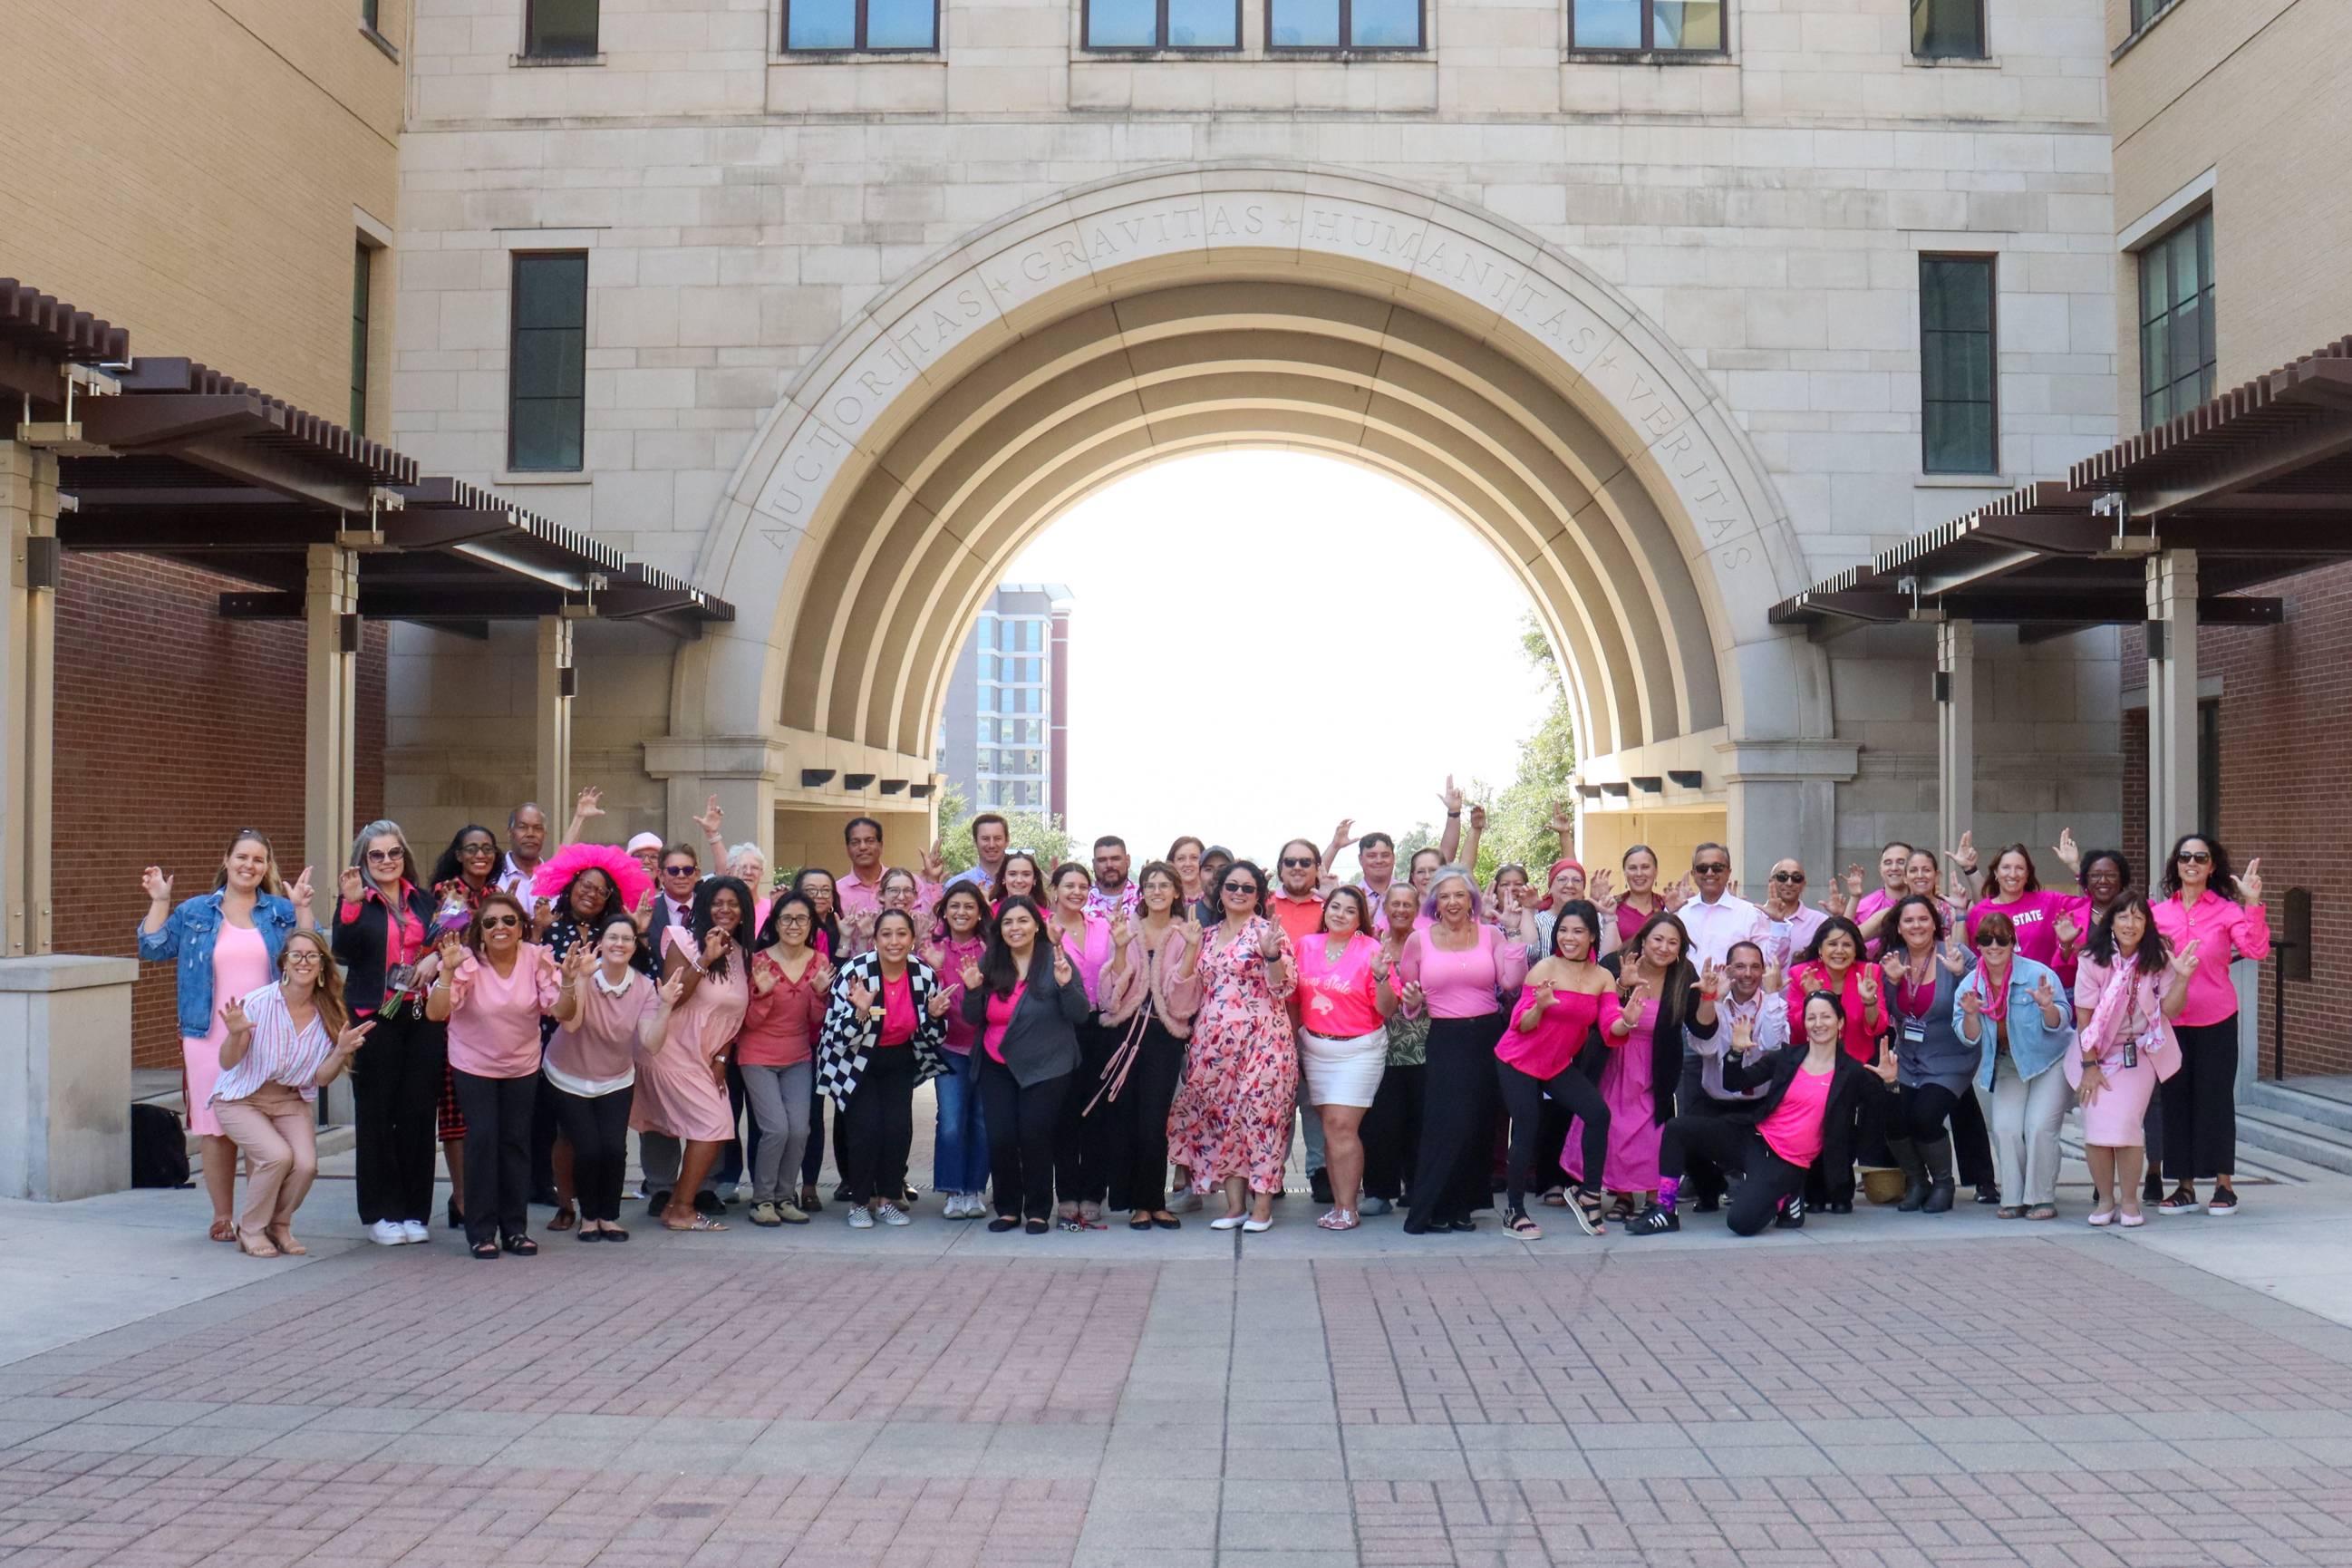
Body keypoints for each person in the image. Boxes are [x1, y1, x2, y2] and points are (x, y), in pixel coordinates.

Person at [138, 830, 312, 1244]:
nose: (248, 866)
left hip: (266, 1035)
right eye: (241, 857)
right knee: (215, 1128)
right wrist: (160, 901)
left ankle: (260, 1217)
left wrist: (303, 909)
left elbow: (313, 949)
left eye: (258, 859)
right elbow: (153, 947)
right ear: (226, 859)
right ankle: (222, 1216)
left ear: (267, 867)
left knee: (260, 1125)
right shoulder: (197, 910)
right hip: (206, 1034)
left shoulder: (281, 912)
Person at [1626, 993, 1899, 1237]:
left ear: (1840, 1023)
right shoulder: (1787, 1058)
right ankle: (1665, 1210)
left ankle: (1787, 1193)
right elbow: (1735, 1082)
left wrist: (1889, 1083)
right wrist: (1735, 1052)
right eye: (1811, 1017)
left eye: (1826, 1016)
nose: (1818, 1023)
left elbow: (1879, 1115)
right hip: (1753, 1137)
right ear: (1804, 1023)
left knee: (1741, 1223)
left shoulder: (1851, 1073)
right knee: (1678, 1129)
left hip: (1786, 1161)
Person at [208, 929, 370, 1257]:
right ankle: (251, 1229)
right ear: (284, 962)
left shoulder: (331, 1013)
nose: (304, 962)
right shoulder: (258, 1002)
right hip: (242, 1098)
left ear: (323, 966)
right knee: (277, 1156)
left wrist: (340, 1052)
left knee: (307, 1165)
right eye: (296, 955)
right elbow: (228, 1063)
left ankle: (278, 1226)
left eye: (312, 956)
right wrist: (235, 1034)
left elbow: (322, 1079)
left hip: (290, 1099)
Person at [426, 889, 563, 1259]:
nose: (499, 927)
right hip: (474, 1064)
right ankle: (480, 1229)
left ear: (521, 926)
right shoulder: (466, 962)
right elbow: (437, 1013)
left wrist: (576, 982)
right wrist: (448, 971)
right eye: (490, 922)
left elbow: (561, 1011)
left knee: (516, 1141)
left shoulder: (536, 959)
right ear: (480, 930)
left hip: (521, 1064)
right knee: (483, 1139)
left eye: (508, 920)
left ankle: (515, 1229)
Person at [1166, 859, 1298, 1233]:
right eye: (1232, 886)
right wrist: (1190, 949)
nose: (1239, 893)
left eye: (1247, 888)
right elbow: (1186, 988)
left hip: (1264, 1041)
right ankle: (1235, 1205)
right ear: (1220, 892)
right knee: (1223, 1122)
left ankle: (1263, 1206)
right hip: (1213, 1047)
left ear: (1258, 895)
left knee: (1262, 1119)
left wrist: (1271, 954)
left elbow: (1284, 986)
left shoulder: (1269, 932)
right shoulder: (1205, 936)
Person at [333, 820, 447, 1246]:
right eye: (376, 855)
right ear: (363, 860)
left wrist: (434, 960)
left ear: (405, 856)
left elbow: (442, 940)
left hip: (418, 1014)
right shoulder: (357, 900)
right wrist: (350, 905)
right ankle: (380, 1212)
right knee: (377, 1115)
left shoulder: (423, 900)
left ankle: (415, 1212)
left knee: (418, 1114)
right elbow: (344, 949)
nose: (386, 861)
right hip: (373, 1014)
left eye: (393, 853)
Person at [1399, 866, 1527, 1234]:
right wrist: (1412, 1001)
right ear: (1434, 902)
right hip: (1445, 1037)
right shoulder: (1418, 941)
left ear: (1471, 900)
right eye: (1445, 895)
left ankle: (1462, 1206)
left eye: (1459, 895)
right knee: (1445, 1125)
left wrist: (1514, 931)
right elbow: (1410, 1001)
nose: (1453, 902)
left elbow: (1512, 983)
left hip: (1487, 1035)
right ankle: (1432, 1208)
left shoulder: (1490, 935)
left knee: (1477, 1124)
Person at [545, 912, 682, 1242]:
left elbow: (651, 1043)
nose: (619, 944)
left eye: (626, 939)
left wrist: (665, 1007)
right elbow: (572, 1024)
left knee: (613, 1149)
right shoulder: (585, 975)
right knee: (588, 1148)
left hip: (616, 1078)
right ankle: (589, 1217)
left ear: (635, 946)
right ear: (601, 943)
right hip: (568, 1075)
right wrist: (579, 980)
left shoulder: (645, 987)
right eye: (613, 938)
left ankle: (609, 1216)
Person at [2152, 834, 2268, 1217]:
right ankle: (2183, 1186)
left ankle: (2224, 1185)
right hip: (2172, 1018)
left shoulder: (2226, 910)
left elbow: (2254, 950)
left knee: (2215, 1099)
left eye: (2201, 858)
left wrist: (2252, 904)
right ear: (2176, 863)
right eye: (2185, 856)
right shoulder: (2159, 913)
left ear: (2211, 866)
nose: (2192, 863)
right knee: (2175, 1099)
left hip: (2216, 1017)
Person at [961, 894, 1089, 1234]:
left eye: (1022, 921)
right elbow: (974, 1018)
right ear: (999, 930)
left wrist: (1065, 986)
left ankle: (1037, 1209)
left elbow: (1079, 1013)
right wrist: (972, 991)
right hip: (996, 1064)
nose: (1015, 928)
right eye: (1007, 922)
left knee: (1034, 1135)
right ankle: (1007, 1208)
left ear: (1036, 926)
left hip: (1046, 1066)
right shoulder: (990, 963)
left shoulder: (1056, 960)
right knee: (1001, 1136)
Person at [818, 908, 953, 1229]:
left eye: (901, 934)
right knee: (865, 1130)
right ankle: (859, 1202)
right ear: (875, 939)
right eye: (886, 934)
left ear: (912, 939)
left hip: (899, 1060)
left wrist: (934, 1016)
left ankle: (888, 1199)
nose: (894, 941)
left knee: (897, 1130)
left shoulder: (922, 974)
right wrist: (860, 1013)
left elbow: (934, 1036)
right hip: (856, 1059)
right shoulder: (856, 971)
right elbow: (836, 1034)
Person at [636, 875, 753, 1233]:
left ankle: (676, 1206)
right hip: (672, 1049)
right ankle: (682, 1208)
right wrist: (704, 958)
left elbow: (734, 1014)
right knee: (714, 1124)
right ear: (704, 907)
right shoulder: (682, 939)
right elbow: (675, 997)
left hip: (705, 1057)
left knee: (711, 1126)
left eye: (733, 904)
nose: (725, 909)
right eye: (717, 902)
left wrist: (722, 1057)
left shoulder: (741, 952)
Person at [1495, 900, 1617, 1238]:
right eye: (1563, 930)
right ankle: (1514, 1212)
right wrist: (1540, 1006)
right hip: (1517, 1060)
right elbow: (1521, 1023)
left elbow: (1610, 1027)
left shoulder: (1602, 977)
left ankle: (1589, 1193)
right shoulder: (1544, 969)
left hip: (1555, 1064)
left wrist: (1628, 1021)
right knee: (1528, 1127)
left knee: (1598, 1114)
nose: (1569, 937)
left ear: (1593, 935)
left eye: (1578, 931)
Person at [2072, 893, 2193, 1228]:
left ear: (2147, 924)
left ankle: (2129, 1200)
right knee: (2097, 1126)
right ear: (2111, 922)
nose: (2131, 924)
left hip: (2140, 1051)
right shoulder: (2092, 959)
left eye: (2139, 918)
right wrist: (2089, 1065)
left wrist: (2181, 977)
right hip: (2094, 1051)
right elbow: (2084, 1015)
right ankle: (2105, 1200)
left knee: (2127, 1123)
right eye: (2123, 917)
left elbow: (2171, 1010)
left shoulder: (2157, 958)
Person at [1097, 862, 1202, 1230]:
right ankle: (1135, 1204)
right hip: (1124, 1034)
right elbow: (1110, 993)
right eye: (1150, 885)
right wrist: (1122, 949)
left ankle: (1155, 1202)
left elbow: (1183, 1000)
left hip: (1163, 1037)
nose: (1156, 891)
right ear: (1141, 892)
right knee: (1124, 1121)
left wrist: (1190, 951)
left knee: (1154, 1122)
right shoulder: (1128, 929)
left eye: (1164, 885)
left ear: (1177, 892)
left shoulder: (1185, 932)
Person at [1571, 910, 1696, 1220]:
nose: (1664, 947)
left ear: (1680, 948)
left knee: (1654, 1135)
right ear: (1643, 938)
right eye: (1658, 939)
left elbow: (1703, 1028)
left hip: (1658, 1064)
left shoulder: (1684, 975)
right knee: (1616, 1128)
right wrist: (1622, 987)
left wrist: (1707, 997)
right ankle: (1623, 1196)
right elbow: (1598, 1012)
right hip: (1615, 1057)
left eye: (1672, 942)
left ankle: (1660, 1200)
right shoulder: (1616, 963)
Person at [1958, 910, 2074, 1221]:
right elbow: (1968, 1038)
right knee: (2006, 1128)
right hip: (2008, 1064)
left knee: (2038, 1127)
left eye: (2002, 939)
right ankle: (2013, 1197)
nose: (1994, 946)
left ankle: (2040, 1197)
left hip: (2051, 1060)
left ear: (2013, 942)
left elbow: (2062, 1023)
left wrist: (2048, 1007)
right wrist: (1971, 1014)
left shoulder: (2039, 975)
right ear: (1977, 944)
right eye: (1986, 939)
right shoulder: (1971, 985)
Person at [1292, 885, 1392, 1232]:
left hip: (1359, 1049)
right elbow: (1292, 997)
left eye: (1350, 910)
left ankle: (1349, 1208)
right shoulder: (1306, 946)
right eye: (1335, 907)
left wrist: (1381, 977)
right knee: (1331, 1129)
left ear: (1360, 917)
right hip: (1316, 1048)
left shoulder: (1371, 950)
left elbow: (1387, 1008)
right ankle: (1338, 1204)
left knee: (1341, 1126)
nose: (1340, 914)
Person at [737, 894, 832, 1226]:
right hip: (757, 1055)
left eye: (802, 919)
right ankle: (761, 1200)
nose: (794, 925)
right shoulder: (758, 961)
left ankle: (784, 1197)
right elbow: (747, 1022)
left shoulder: (820, 961)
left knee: (800, 1130)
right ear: (775, 923)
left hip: (799, 1056)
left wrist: (820, 995)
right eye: (787, 919)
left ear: (811, 925)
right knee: (776, 1128)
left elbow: (818, 1022)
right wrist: (761, 993)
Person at [1876, 895, 1974, 1215]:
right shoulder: (1894, 959)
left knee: (1926, 1116)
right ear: (1900, 928)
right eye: (1909, 920)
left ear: (1935, 923)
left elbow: (1979, 999)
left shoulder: (1957, 955)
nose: (1916, 925)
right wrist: (1891, 982)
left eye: (1923, 919)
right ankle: (1918, 1181)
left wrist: (1960, 975)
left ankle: (1944, 1182)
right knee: (1892, 1115)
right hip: (1908, 1058)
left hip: (1950, 1059)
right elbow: (1888, 1012)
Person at [1782, 915, 1886, 1213]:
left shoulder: (1869, 972)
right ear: (1820, 949)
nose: (1839, 950)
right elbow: (1797, 1030)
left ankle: (1841, 1190)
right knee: (1815, 1125)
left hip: (1856, 1065)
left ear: (1856, 949)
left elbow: (1877, 1026)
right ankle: (1815, 1191)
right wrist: (1811, 997)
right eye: (1832, 944)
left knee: (1844, 1127)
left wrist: (1868, 1002)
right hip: (1813, 1064)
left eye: (1847, 944)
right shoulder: (1802, 973)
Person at [1679, 938, 1789, 1212]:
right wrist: (1712, 1001)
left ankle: (1746, 1182)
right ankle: (1711, 1187)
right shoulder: (1715, 1002)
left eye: (1754, 967)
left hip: (1759, 1103)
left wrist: (1774, 995)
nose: (1748, 974)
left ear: (1764, 971)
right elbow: (1703, 1047)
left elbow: (1774, 1045)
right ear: (1728, 970)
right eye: (1740, 967)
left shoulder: (1772, 1003)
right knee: (1683, 1134)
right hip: (1716, 1098)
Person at [1044, 861, 1120, 1229]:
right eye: (1068, 885)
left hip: (1100, 1025)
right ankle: (1068, 1193)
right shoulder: (1042, 929)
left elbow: (1120, 968)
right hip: (1058, 1028)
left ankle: (1093, 1192)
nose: (1076, 892)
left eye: (1081, 886)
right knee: (1063, 1113)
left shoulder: (1103, 927)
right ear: (1054, 890)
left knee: (1097, 1112)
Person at [922, 883, 994, 1218]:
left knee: (981, 1120)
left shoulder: (992, 950)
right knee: (951, 1121)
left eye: (969, 906)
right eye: (954, 906)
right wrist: (937, 969)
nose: (961, 912)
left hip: (985, 1047)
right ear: (944, 911)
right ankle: (953, 1191)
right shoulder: (931, 949)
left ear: (979, 912)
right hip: (949, 1047)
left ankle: (974, 1190)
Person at [1359, 880, 1429, 1216]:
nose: (1401, 910)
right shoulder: (1370, 945)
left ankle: (1417, 1187)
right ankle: (1378, 1191)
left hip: (1422, 1045)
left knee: (1420, 1120)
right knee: (1380, 1122)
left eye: (1408, 905)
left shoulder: (1429, 943)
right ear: (1385, 909)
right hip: (1378, 1045)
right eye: (1395, 904)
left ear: (1417, 910)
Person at [1268, 837, 1330, 1198]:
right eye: (1290, 861)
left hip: (1319, 1017)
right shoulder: (1262, 905)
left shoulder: (1330, 907)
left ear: (1317, 868)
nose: (1297, 868)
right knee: (1277, 1101)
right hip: (1271, 1017)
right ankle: (1271, 1171)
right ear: (1280, 868)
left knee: (1314, 1099)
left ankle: (1320, 1169)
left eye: (1305, 862)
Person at [790, 866, 844, 1210]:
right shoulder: (785, 930)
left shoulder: (840, 930)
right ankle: (780, 1186)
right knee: (790, 1119)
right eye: (812, 890)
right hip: (790, 1035)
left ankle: (809, 1185)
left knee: (814, 1115)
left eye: (826, 890)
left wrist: (849, 940)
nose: (819, 897)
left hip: (828, 1037)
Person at [837, 815, 944, 922]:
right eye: (855, 842)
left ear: (881, 845)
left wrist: (932, 880)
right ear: (847, 849)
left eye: (869, 841)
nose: (863, 847)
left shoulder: (910, 882)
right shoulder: (837, 891)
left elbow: (931, 925)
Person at [1676, 842, 1766, 969]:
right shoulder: (1681, 912)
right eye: (1703, 868)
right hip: (1686, 988)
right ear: (1694, 873)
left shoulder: (1749, 913)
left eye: (1717, 867)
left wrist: (1780, 925)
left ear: (1728, 872)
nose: (1709, 873)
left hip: (1732, 988)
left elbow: (1767, 958)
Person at [1755, 858, 1826, 974]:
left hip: (1803, 990)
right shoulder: (1755, 917)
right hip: (1763, 991)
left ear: (1803, 884)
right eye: (1782, 876)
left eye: (1796, 878)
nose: (1789, 882)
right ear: (1771, 881)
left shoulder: (1819, 921)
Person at [1606, 844, 1669, 949]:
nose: (1639, 873)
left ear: (1656, 871)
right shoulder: (1611, 907)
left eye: (1645, 867)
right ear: (1625, 873)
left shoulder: (1666, 905)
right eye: (1632, 868)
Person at [950, 812, 1011, 893]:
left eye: (997, 838)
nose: (991, 845)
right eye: (985, 839)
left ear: (1007, 841)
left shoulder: (1021, 883)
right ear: (975, 842)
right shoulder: (956, 885)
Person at [1086, 835, 1138, 921]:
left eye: (1115, 859)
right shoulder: (1080, 899)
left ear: (1127, 861)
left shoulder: (1145, 898)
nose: (1109, 865)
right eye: (1102, 860)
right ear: (1094, 864)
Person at [1166, 835, 1208, 909]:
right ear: (1172, 863)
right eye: (1181, 859)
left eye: (1194, 858)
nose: (1188, 864)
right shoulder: (1165, 896)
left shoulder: (1213, 895)